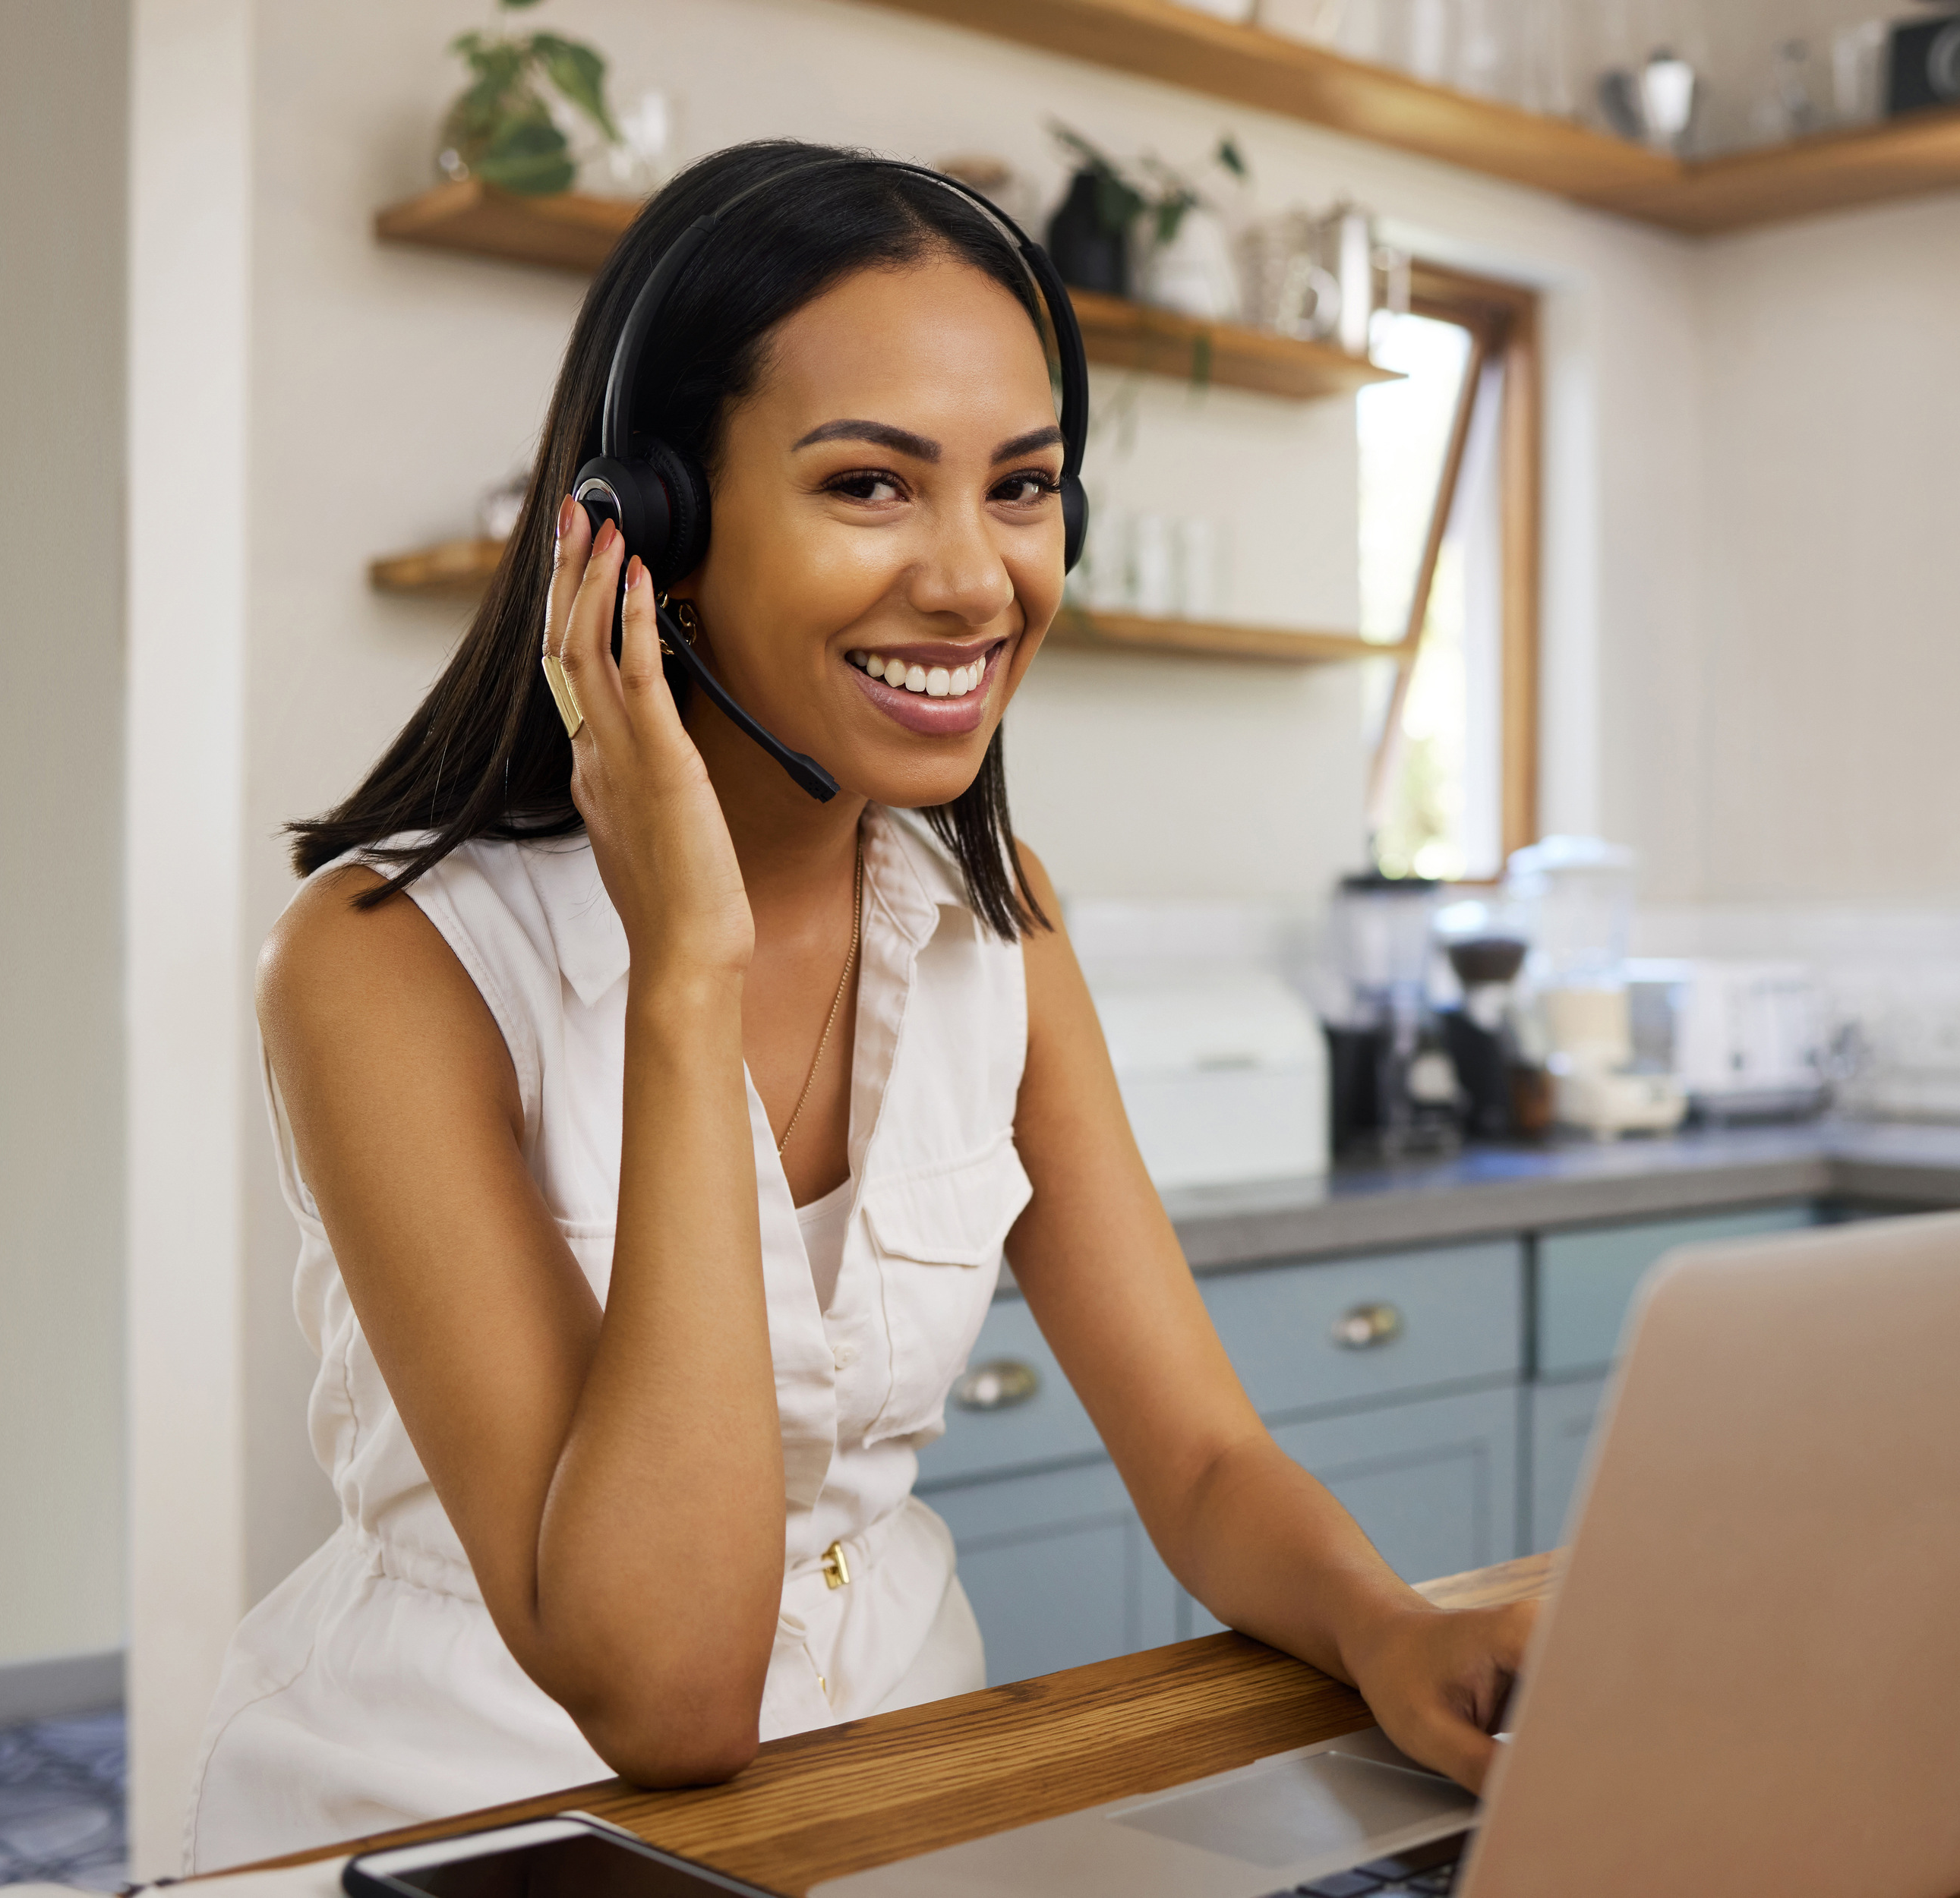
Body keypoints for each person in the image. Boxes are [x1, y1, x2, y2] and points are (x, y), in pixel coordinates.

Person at [183, 140, 1532, 1870]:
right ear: (648, 531)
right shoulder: (380, 959)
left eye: (1022, 486)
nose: (976, 579)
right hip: (469, 1812)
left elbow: (1196, 1455)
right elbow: (663, 1695)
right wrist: (686, 965)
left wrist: (1383, 1623)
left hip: (898, 1787)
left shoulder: (995, 918)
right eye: (872, 486)